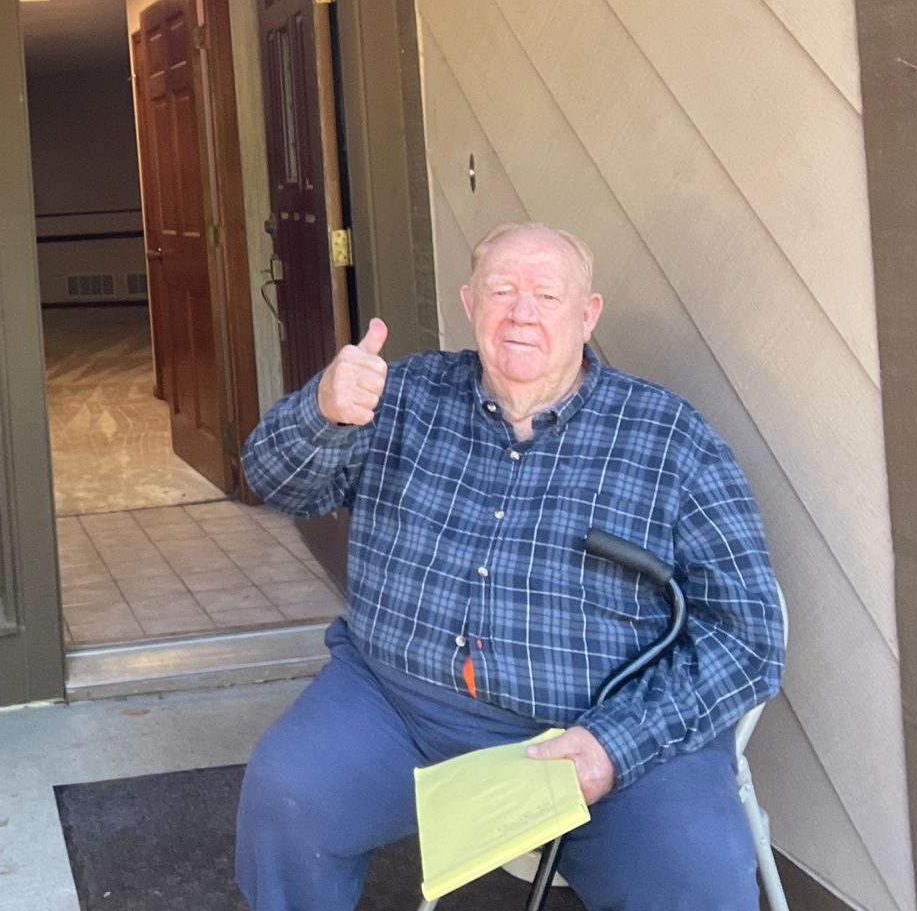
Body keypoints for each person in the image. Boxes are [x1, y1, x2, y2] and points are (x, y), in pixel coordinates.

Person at [235, 223, 783, 911]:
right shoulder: (401, 396)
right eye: (503, 290)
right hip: (396, 705)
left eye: (547, 295)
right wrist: (320, 412)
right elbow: (273, 481)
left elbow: (747, 635)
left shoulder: (673, 439)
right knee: (287, 792)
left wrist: (615, 744)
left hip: (595, 729)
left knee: (696, 873)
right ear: (470, 303)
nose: (522, 312)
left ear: (587, 316)